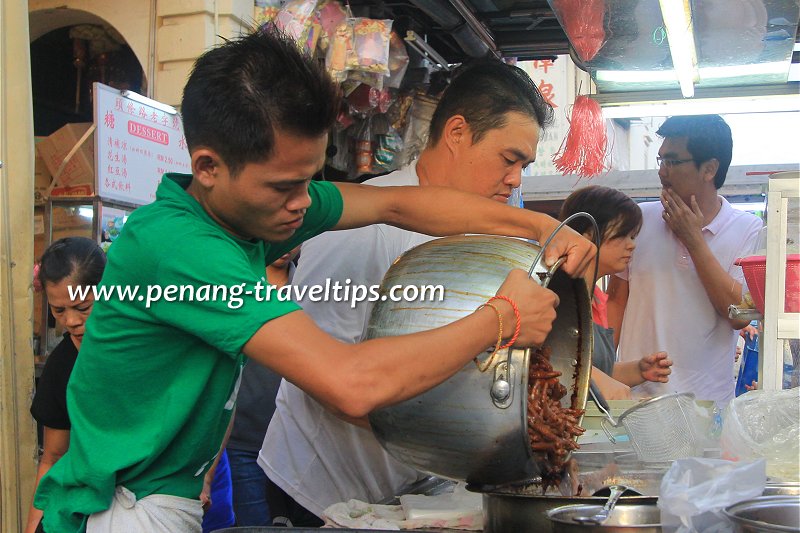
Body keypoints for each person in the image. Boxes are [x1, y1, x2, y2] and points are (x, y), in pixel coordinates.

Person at [32, 30, 595, 533]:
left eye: (312, 178)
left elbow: (395, 204)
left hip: (170, 496)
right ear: (208, 167)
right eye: (284, 187)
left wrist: (540, 226)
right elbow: (349, 384)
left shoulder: (243, 211)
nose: (303, 205)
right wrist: (502, 318)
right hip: (118, 512)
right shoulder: (183, 251)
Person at [259, 58, 560, 524]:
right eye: (509, 159)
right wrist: (460, 432)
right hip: (323, 494)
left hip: (415, 489)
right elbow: (320, 378)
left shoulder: (490, 240)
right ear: (457, 133)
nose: (517, 178)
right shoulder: (363, 230)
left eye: (525, 164)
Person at [607, 114, 763, 405]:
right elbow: (616, 300)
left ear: (710, 169)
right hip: (636, 398)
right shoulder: (639, 219)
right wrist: (600, 372)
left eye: (673, 162)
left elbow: (740, 316)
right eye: (660, 160)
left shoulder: (748, 229)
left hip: (706, 404)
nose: (662, 172)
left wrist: (693, 239)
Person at [558, 185, 673, 400]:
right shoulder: (558, 296)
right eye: (624, 235)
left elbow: (600, 370)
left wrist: (638, 371)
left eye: (634, 236)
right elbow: (552, 363)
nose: (632, 246)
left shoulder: (595, 299)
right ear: (590, 235)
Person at [25, 237, 106, 533]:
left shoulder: (141, 349)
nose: (71, 321)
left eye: (83, 307)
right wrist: (34, 525)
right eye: (58, 311)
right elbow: (54, 456)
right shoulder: (61, 365)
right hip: (81, 507)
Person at [226, 247, 300, 527]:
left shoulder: (315, 285)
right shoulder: (234, 285)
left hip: (298, 442)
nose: (286, 243)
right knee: (253, 524)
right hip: (245, 442)